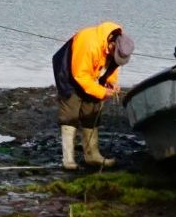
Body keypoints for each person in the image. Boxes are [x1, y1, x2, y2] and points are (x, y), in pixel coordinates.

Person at [50, 21, 134, 170]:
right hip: (70, 74)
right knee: (70, 115)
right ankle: (68, 160)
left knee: (92, 112)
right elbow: (80, 76)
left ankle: (92, 156)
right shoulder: (89, 44)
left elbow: (113, 67)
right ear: (111, 44)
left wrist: (111, 82)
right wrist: (102, 92)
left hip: (93, 75)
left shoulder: (119, 45)